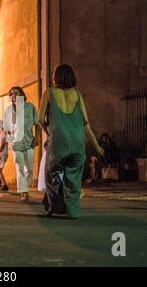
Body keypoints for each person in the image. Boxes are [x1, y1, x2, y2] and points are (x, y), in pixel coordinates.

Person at [38, 64, 104, 219]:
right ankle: (72, 212)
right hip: (78, 143)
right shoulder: (78, 95)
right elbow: (86, 124)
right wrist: (97, 146)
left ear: (56, 77)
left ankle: (52, 208)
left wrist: (49, 133)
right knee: (73, 179)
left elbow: (40, 120)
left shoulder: (49, 93)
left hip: (59, 143)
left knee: (51, 175)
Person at [3, 87, 38, 202]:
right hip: (16, 144)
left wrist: (36, 138)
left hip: (29, 142)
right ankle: (24, 192)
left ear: (21, 94)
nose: (13, 95)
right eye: (11, 93)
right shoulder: (8, 110)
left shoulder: (30, 107)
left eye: (16, 93)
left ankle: (25, 188)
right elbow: (6, 129)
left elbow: (37, 124)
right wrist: (10, 142)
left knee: (30, 169)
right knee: (20, 169)